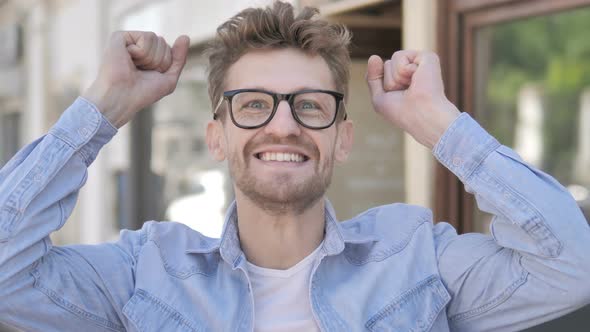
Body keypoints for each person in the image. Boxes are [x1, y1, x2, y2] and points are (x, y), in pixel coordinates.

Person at [1, 1, 589, 331]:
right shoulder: (143, 273)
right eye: (253, 104)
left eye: (310, 106)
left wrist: (437, 123)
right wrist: (100, 109)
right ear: (217, 137)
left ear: (341, 138)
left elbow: (572, 265)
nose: (283, 125)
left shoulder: (417, 261)